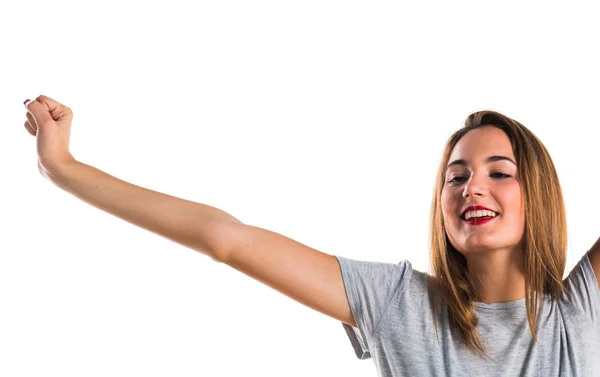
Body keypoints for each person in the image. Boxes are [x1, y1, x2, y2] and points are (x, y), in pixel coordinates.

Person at [23, 95, 600, 376]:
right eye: (457, 177)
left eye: (500, 173)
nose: (473, 188)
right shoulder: (399, 302)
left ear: (540, 193)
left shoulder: (581, 311)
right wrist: (64, 168)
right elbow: (225, 238)